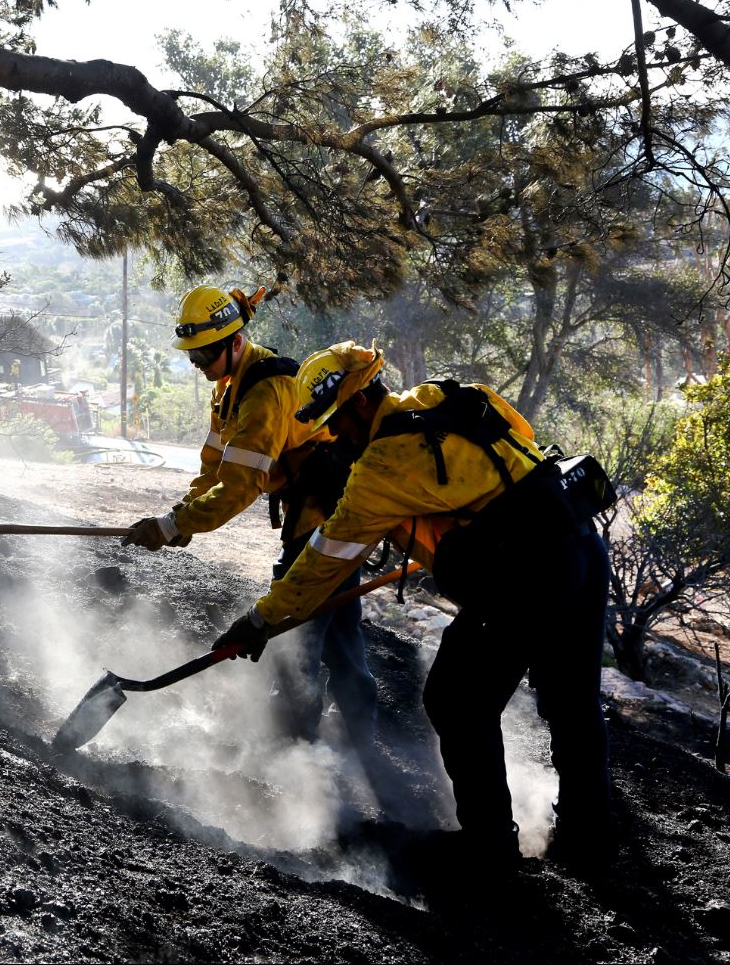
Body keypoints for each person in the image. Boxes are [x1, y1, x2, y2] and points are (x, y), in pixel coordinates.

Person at [216, 341, 613, 871]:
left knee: (455, 699)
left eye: (337, 424)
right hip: (580, 544)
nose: (336, 437)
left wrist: (261, 619)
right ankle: (590, 837)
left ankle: (490, 848)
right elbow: (518, 443)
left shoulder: (383, 463)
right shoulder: (443, 396)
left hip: (528, 572)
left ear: (358, 404)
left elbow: (323, 561)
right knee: (573, 700)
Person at [122, 285, 376, 750]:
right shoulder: (228, 391)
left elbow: (240, 487)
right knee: (340, 630)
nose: (198, 366)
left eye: (205, 355)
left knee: (292, 632)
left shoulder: (266, 393)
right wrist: (180, 516)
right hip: (319, 515)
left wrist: (172, 527)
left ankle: (293, 753)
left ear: (235, 343)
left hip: (326, 521)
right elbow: (214, 469)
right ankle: (360, 741)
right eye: (193, 356)